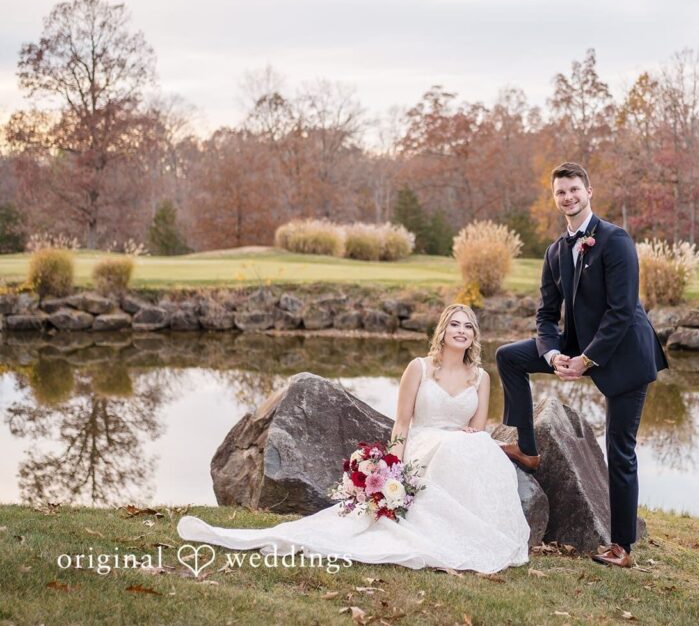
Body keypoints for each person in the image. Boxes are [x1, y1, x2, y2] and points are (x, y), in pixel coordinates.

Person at [177, 304, 530, 574]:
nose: (462, 331)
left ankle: (472, 530)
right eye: (455, 323)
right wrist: (392, 465)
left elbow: (478, 426)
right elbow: (402, 424)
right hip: (425, 443)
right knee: (452, 448)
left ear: (474, 337)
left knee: (477, 447)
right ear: (442, 330)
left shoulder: (481, 377)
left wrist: (471, 436)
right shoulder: (419, 368)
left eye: (469, 326)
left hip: (459, 447)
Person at [496, 162, 668, 569]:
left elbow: (622, 311)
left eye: (574, 189)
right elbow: (545, 316)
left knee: (619, 448)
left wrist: (587, 360)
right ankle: (528, 448)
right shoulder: (555, 252)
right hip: (576, 348)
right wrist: (554, 355)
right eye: (560, 192)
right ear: (554, 199)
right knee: (509, 356)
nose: (568, 197)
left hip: (624, 352)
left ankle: (621, 547)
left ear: (589, 191)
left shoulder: (615, 239)